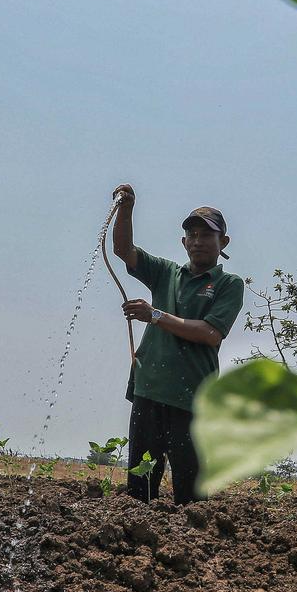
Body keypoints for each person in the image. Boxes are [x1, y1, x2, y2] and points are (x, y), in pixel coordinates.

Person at [110, 183, 245, 504]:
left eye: (206, 235)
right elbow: (123, 250)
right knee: (139, 489)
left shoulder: (228, 284)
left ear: (222, 242)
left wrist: (155, 315)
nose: (198, 242)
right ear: (183, 242)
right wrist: (127, 208)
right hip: (149, 391)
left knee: (191, 494)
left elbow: (211, 333)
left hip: (193, 399)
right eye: (192, 236)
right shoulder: (165, 273)